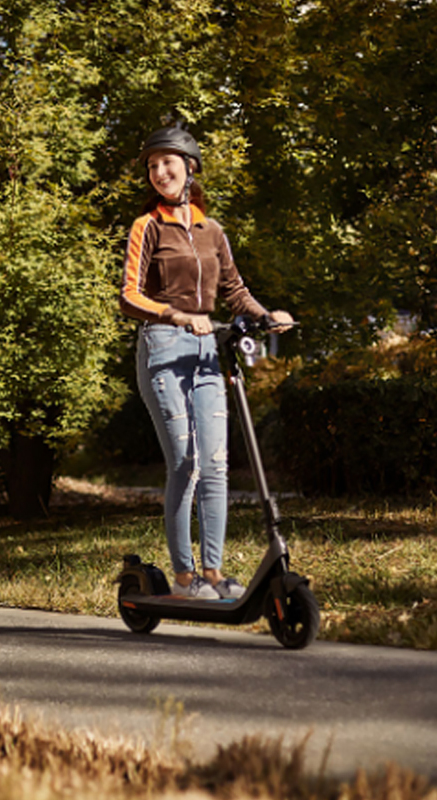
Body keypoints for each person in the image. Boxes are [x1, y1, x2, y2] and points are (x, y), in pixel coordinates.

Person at [119, 123, 294, 600]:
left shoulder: (211, 230)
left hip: (206, 351)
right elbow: (129, 296)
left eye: (167, 162)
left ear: (189, 166)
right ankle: (182, 578)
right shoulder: (147, 227)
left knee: (216, 463)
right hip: (161, 347)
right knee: (187, 463)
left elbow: (234, 290)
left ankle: (213, 573)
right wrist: (176, 314)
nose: (159, 172)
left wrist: (265, 316)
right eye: (152, 166)